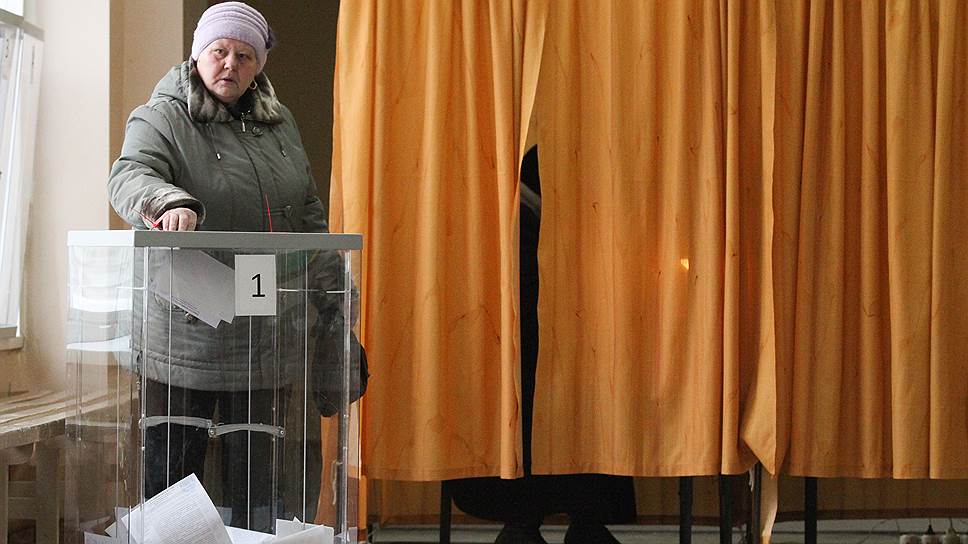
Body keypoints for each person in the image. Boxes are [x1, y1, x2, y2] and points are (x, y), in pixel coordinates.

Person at [108, 2, 332, 531]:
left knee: (258, 493)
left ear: (258, 66)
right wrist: (168, 202)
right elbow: (129, 175)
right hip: (184, 342)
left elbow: (308, 216)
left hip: (263, 338)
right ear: (197, 55)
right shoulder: (161, 115)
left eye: (245, 55)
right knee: (173, 494)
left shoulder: (279, 125)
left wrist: (332, 299)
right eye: (219, 51)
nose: (230, 64)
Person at [448, 146, 637, 544]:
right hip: (545, 344)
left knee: (549, 427)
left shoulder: (524, 207)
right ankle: (562, 521)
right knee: (563, 426)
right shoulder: (532, 210)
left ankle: (537, 521)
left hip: (539, 345)